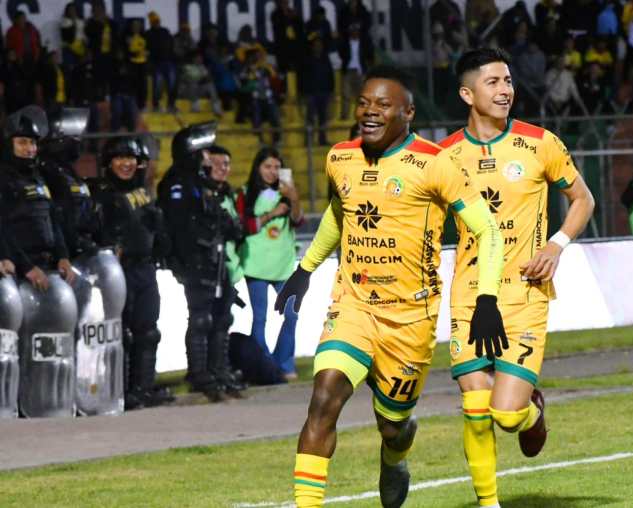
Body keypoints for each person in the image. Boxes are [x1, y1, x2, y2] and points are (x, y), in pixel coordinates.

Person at [274, 66, 506, 508]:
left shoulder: (435, 163)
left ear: (408, 113)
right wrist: (305, 269)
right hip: (355, 304)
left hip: (410, 318)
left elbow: (488, 231)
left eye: (383, 105)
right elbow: (340, 212)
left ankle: (395, 455)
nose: (370, 112)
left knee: (392, 425)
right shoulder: (340, 157)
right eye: (363, 103)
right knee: (324, 396)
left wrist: (487, 299)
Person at [439, 48, 595, 508]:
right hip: (470, 294)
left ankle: (532, 414)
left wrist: (556, 245)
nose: (505, 90)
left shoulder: (540, 143)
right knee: (475, 408)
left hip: (525, 293)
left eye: (508, 80)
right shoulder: (443, 155)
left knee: (506, 416)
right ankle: (489, 504)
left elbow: (583, 199)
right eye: (493, 82)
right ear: (467, 94)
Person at [158, 123, 245, 400]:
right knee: (201, 319)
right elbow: (180, 226)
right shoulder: (176, 182)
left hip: (215, 259)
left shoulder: (198, 181)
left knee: (222, 316)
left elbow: (216, 215)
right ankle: (199, 374)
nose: (208, 157)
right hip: (195, 262)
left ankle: (219, 370)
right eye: (204, 152)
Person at [89, 137, 171, 410]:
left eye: (131, 158)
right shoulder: (103, 194)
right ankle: (120, 390)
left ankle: (143, 387)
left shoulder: (143, 192)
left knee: (148, 331)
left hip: (145, 268)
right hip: (117, 271)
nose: (126, 164)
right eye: (120, 158)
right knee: (121, 333)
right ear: (109, 163)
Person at [236, 147, 303, 380]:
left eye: (276, 167)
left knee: (292, 314)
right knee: (260, 318)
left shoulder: (286, 192)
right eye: (267, 166)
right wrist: (272, 214)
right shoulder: (245, 193)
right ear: (257, 168)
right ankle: (263, 368)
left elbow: (298, 221)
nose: (273, 171)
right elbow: (243, 226)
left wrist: (294, 198)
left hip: (283, 264)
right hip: (256, 264)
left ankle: (283, 363)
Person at [0, 106, 76, 292]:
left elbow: (53, 219)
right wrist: (26, 267)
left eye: (33, 143)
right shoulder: (3, 178)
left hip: (47, 268)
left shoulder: (38, 177)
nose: (30, 149)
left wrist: (63, 256)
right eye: (22, 143)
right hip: (19, 273)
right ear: (9, 145)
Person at [39, 107, 101, 259]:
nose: (78, 141)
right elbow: (58, 217)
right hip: (65, 255)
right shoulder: (47, 171)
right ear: (57, 140)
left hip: (82, 250)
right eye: (73, 136)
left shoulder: (66, 169)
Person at [146, 11, 177, 113]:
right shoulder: (148, 34)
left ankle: (171, 105)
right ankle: (156, 105)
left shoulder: (165, 31)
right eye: (154, 21)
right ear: (151, 22)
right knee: (157, 85)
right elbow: (147, 49)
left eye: (157, 21)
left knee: (172, 84)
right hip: (157, 63)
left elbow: (171, 45)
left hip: (168, 61)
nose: (156, 23)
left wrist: (172, 58)